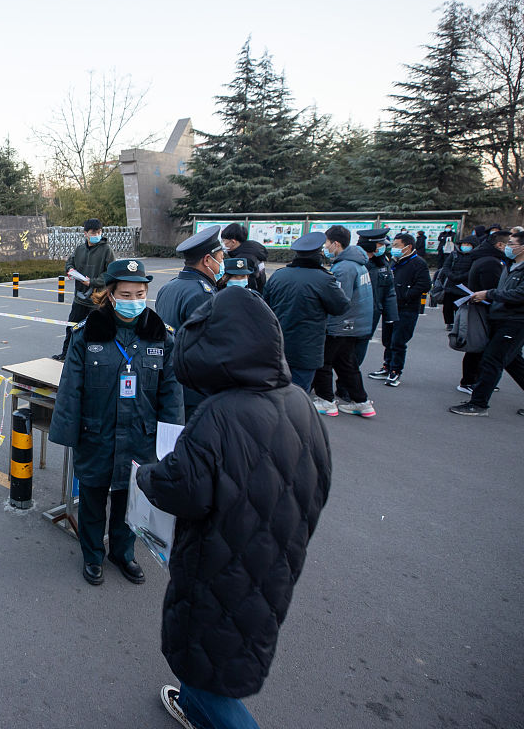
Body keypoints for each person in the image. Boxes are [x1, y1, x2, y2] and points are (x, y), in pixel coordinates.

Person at [135, 286, 331, 729]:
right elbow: (320, 478)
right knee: (225, 653)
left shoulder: (219, 414)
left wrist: (145, 475)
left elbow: (180, 489)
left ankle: (203, 706)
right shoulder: (300, 401)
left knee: (209, 666)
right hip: (275, 557)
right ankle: (195, 706)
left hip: (219, 564)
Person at [49, 258, 184, 587]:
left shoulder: (161, 336)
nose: (134, 301)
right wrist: (69, 433)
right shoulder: (87, 334)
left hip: (141, 436)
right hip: (97, 434)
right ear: (110, 295)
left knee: (131, 501)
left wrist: (170, 443)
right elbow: (71, 389)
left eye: (140, 294)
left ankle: (123, 553)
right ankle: (93, 555)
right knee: (93, 500)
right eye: (126, 294)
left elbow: (172, 393)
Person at [450, 229, 524, 417]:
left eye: (511, 244)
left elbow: (522, 295)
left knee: (491, 360)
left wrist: (488, 294)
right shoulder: (512, 264)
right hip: (502, 318)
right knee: (513, 363)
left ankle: (478, 404)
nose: (507, 247)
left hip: (517, 321)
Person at [262, 232, 351, 393]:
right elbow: (341, 307)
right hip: (307, 348)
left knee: (275, 391)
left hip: (277, 345)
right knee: (299, 393)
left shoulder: (278, 275)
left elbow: (265, 305)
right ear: (318, 254)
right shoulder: (324, 279)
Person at [155, 225, 224, 420]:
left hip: (169, 380)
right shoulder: (202, 294)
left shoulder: (169, 287)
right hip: (194, 388)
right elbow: (207, 348)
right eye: (220, 259)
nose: (222, 264)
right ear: (207, 260)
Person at [311, 225, 375, 417]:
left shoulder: (344, 268)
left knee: (323, 362)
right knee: (346, 363)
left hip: (341, 324)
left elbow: (338, 300)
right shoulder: (358, 263)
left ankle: (326, 400)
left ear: (336, 244)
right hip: (354, 323)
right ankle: (361, 401)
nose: (325, 248)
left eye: (327, 244)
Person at [368, 232, 431, 388]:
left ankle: (395, 370)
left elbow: (424, 285)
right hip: (390, 307)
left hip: (406, 308)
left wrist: (406, 296)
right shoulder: (394, 261)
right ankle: (387, 366)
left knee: (398, 341)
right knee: (387, 339)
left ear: (408, 247)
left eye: (397, 245)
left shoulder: (418, 263)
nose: (393, 248)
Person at [52, 218, 114, 360]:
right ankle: (66, 354)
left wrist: (92, 282)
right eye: (93, 232)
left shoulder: (106, 250)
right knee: (72, 327)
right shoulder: (80, 249)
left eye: (99, 232)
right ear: (85, 233)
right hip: (79, 298)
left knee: (94, 330)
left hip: (97, 300)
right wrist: (70, 270)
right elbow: (70, 263)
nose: (97, 235)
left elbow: (110, 273)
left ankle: (93, 358)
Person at [457, 230, 509, 395]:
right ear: (500, 245)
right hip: (484, 309)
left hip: (483, 308)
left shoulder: (487, 258)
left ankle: (479, 380)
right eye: (510, 244)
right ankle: (470, 381)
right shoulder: (491, 262)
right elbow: (491, 288)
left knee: (479, 347)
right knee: (478, 347)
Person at [351, 229, 398, 380]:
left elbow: (389, 290)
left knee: (359, 351)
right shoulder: (355, 263)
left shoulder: (382, 263)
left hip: (372, 314)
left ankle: (347, 383)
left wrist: (391, 316)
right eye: (380, 245)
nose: (383, 247)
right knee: (344, 352)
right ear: (370, 245)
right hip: (354, 315)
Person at [438, 233, 476, 330]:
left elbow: (473, 270)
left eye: (468, 245)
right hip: (450, 284)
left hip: (465, 286)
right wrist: (451, 276)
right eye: (464, 244)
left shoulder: (475, 256)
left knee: (461, 306)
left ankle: (459, 323)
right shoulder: (454, 254)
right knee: (447, 306)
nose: (465, 246)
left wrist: (461, 277)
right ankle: (449, 323)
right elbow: (446, 266)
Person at [219, 223, 268, 292]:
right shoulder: (251, 250)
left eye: (224, 241)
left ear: (233, 242)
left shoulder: (244, 258)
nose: (223, 243)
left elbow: (251, 282)